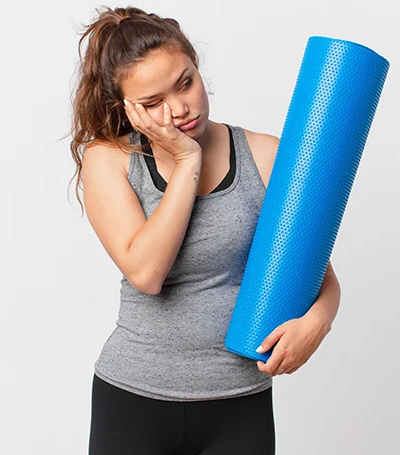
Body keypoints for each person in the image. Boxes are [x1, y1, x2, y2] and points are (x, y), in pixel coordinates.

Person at [67, 6, 341, 455]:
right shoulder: (110, 159)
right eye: (153, 104)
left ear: (197, 66)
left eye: (185, 83)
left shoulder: (265, 155)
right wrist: (188, 160)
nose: (178, 109)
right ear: (127, 109)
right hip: (134, 398)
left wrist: (319, 320)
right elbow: (147, 273)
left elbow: (317, 274)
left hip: (239, 402)